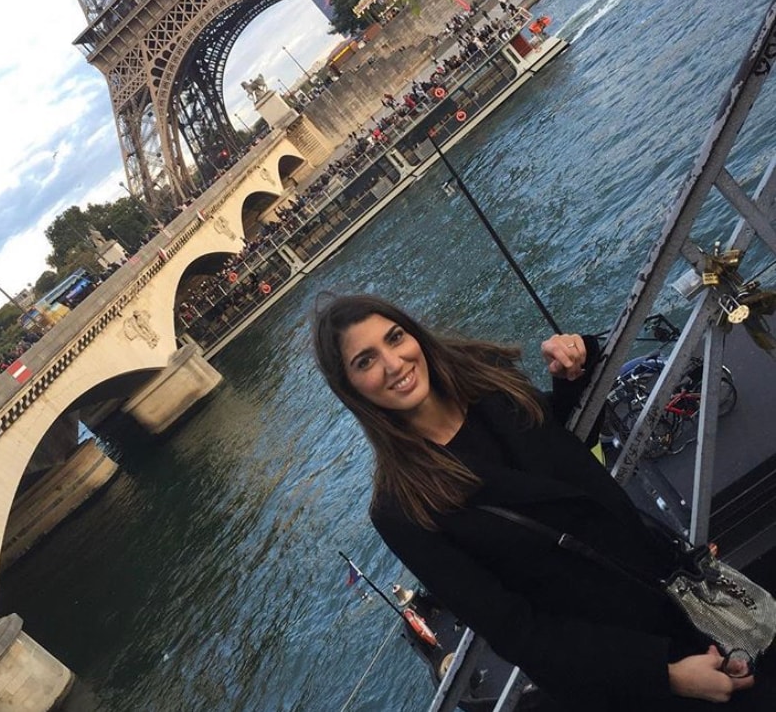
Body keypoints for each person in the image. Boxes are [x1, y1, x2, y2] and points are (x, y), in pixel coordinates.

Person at [312, 294, 776, 711]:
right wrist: (665, 677)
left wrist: (575, 369)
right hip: (625, 667)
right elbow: (517, 631)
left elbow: (564, 454)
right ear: (350, 388)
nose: (394, 363)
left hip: (677, 592)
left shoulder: (490, 382)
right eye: (366, 360)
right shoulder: (401, 507)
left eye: (395, 337)